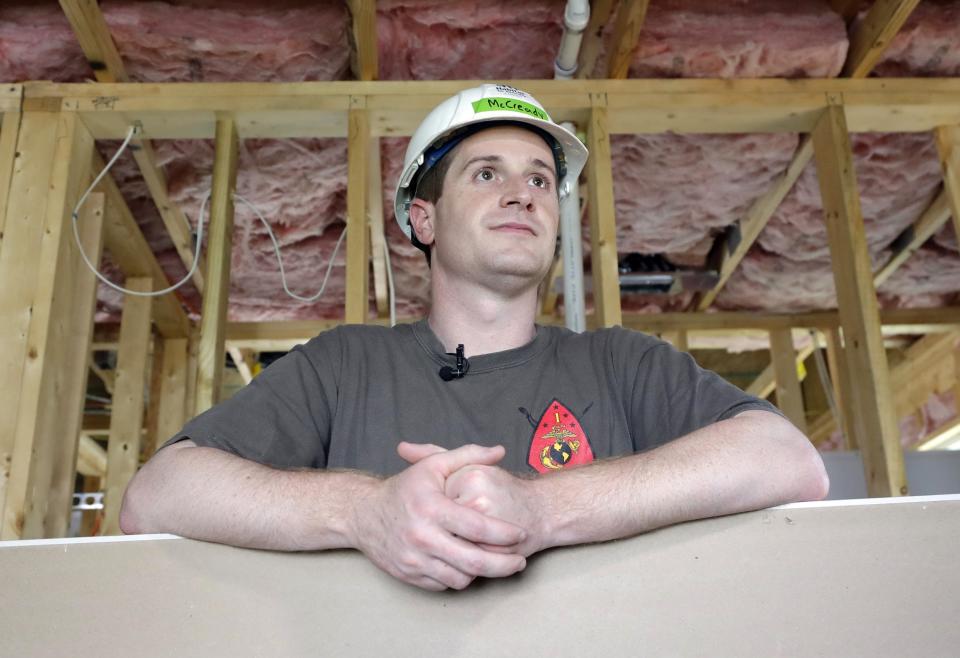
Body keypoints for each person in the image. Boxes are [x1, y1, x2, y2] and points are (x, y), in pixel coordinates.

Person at [120, 84, 829, 592]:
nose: (524, 194)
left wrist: (544, 510)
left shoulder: (622, 362)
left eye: (542, 180)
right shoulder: (342, 366)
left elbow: (787, 460)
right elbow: (157, 495)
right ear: (423, 221)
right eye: (487, 174)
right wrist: (365, 512)